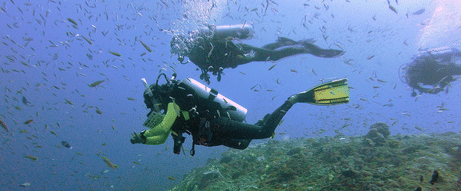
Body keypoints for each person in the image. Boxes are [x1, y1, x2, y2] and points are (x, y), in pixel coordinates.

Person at [130, 73, 350, 155]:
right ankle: (263, 121)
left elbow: (161, 127)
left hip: (215, 124)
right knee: (244, 144)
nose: (154, 110)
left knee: (263, 133)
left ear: (158, 98)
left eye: (153, 105)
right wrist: (142, 140)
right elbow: (160, 139)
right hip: (210, 136)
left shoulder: (173, 104)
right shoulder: (173, 116)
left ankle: (293, 99)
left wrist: (145, 132)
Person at [170, 24, 345, 84]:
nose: (180, 53)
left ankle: (307, 49)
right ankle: (281, 42)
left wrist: (236, 54)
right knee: (265, 52)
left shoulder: (195, 52)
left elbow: (215, 53)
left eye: (178, 50)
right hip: (236, 58)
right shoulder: (194, 52)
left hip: (237, 55)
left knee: (271, 56)